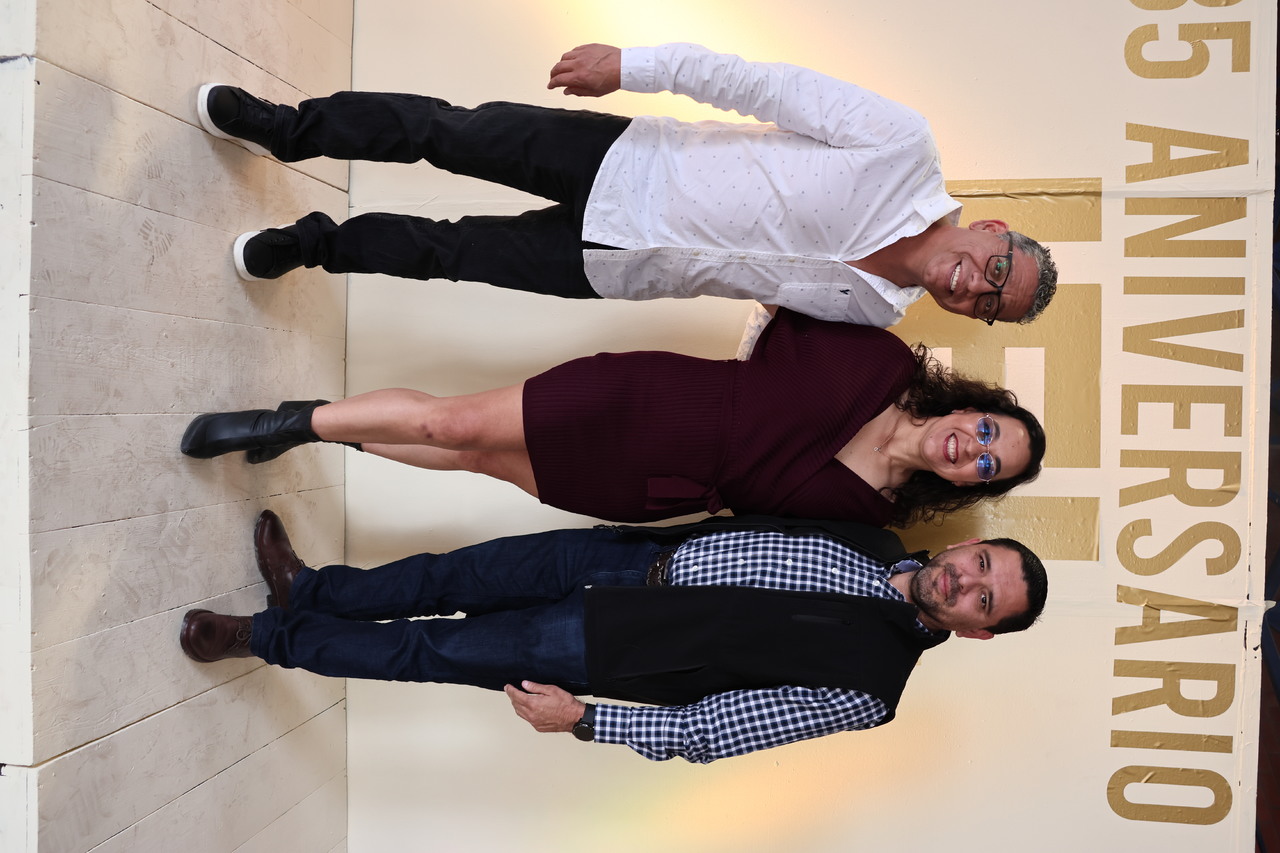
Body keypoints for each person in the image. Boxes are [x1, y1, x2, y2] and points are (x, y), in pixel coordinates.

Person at [196, 42, 1057, 328]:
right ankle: (286, 128)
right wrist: (633, 66)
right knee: (443, 133)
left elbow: (767, 311)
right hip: (623, 160)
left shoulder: (876, 314)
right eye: (996, 271)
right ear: (991, 230)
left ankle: (308, 246)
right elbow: (760, 86)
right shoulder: (903, 148)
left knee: (445, 254)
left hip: (618, 266)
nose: (972, 288)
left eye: (991, 305)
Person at [180, 509, 1049, 763]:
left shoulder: (872, 688)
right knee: (449, 574)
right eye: (980, 564)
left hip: (602, 643)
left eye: (983, 601)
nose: (963, 583)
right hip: (626, 553)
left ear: (979, 632)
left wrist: (587, 719)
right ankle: (311, 591)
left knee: (428, 648)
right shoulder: (879, 539)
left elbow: (718, 729)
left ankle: (261, 636)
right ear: (970, 544)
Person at [180, 309, 1045, 527]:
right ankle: (292, 423)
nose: (971, 449)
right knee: (455, 425)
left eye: (986, 466)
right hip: (655, 397)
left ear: (967, 484)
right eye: (987, 432)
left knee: (478, 460)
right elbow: (787, 291)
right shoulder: (884, 362)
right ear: (975, 407)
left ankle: (330, 431)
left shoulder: (875, 515)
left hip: (663, 486)